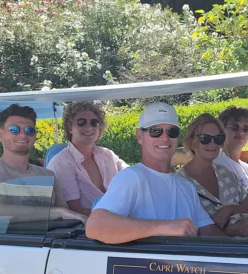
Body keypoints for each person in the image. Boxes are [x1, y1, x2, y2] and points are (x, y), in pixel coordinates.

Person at [86, 102, 226, 245]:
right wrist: (164, 227)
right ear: (139, 136)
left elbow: (208, 231)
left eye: (172, 132)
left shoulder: (186, 187)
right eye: (155, 131)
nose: (165, 138)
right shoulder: (131, 178)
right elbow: (95, 226)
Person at [177, 114, 248, 241]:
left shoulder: (224, 172)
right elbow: (194, 230)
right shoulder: (180, 183)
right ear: (191, 142)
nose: (213, 143)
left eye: (218, 138)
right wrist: (232, 229)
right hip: (225, 250)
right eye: (205, 138)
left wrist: (230, 209)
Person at [0, 104, 86, 223]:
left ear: (35, 137)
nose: (23, 135)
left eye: (29, 130)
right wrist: (56, 213)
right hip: (11, 241)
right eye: (14, 130)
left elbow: (65, 213)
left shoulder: (48, 175)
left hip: (53, 239)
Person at [47, 102, 129, 216]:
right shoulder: (61, 163)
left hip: (120, 220)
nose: (89, 127)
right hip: (84, 229)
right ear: (70, 128)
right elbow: (75, 210)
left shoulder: (108, 155)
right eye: (81, 122)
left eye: (94, 123)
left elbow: (132, 177)